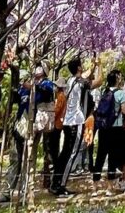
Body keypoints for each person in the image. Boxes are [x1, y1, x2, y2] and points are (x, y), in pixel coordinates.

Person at [54, 58, 92, 195]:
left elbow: (87, 77)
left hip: (67, 122)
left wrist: (92, 67)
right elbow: (98, 81)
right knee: (72, 153)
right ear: (79, 68)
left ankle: (55, 182)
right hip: (76, 121)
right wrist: (99, 66)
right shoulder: (81, 83)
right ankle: (61, 185)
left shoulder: (70, 81)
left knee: (64, 153)